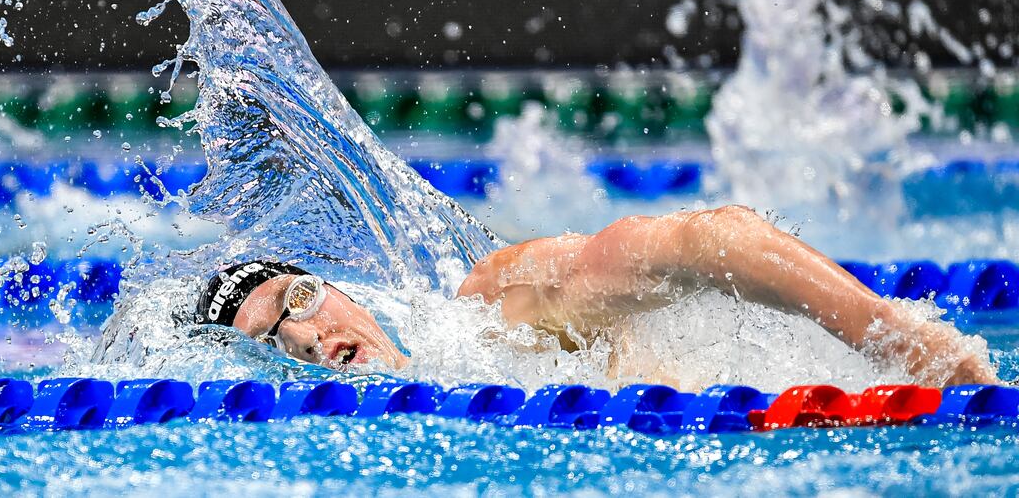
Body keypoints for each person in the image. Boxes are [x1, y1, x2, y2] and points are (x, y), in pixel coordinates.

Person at [195, 205, 998, 387]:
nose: (303, 336)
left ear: (342, 290)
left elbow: (712, 240)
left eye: (297, 298)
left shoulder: (496, 313)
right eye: (266, 343)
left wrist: (896, 335)